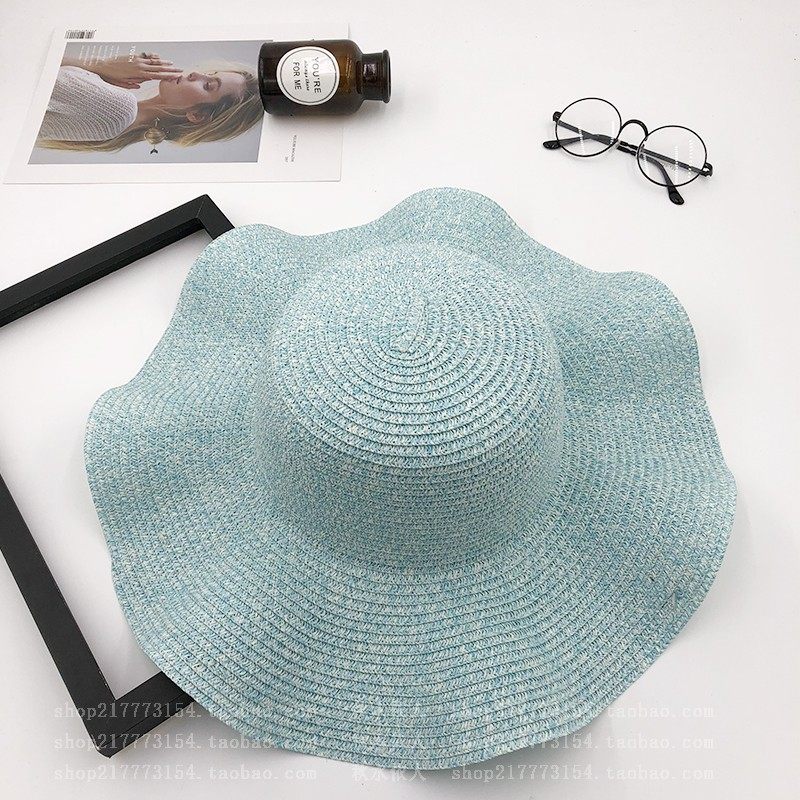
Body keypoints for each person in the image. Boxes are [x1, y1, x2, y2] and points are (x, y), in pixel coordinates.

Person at [36, 52, 263, 153]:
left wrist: (101, 65)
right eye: (210, 73)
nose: (196, 74)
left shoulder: (120, 110)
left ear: (198, 115)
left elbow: (29, 73)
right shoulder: (120, 119)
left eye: (209, 85)